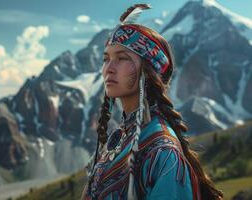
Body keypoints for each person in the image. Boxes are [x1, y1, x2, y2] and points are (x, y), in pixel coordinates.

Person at [80, 4, 223, 200]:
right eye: (106, 59)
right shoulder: (121, 136)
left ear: (148, 71)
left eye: (122, 58)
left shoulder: (162, 151)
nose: (109, 68)